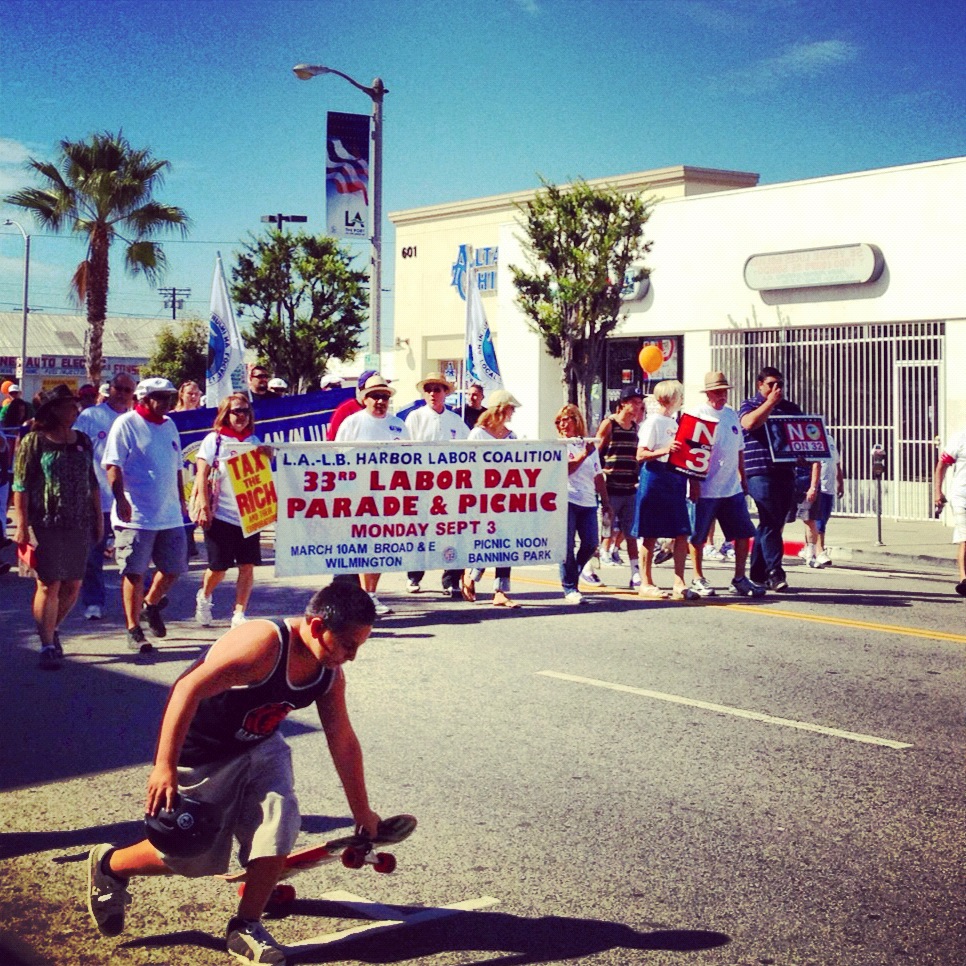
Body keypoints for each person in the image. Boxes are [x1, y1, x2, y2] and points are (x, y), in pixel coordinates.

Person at [85, 582, 381, 965]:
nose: (352, 657)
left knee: (279, 825)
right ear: (316, 624)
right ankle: (110, 865)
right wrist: (165, 765)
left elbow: (342, 740)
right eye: (347, 645)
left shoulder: (328, 674)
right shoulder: (262, 645)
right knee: (190, 852)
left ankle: (246, 926)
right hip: (204, 751)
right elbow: (187, 688)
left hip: (261, 747)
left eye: (359, 646)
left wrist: (362, 811)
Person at [12, 384, 102, 669]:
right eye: (68, 406)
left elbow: (92, 482)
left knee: (73, 584)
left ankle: (52, 627)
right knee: (49, 583)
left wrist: (98, 518)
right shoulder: (35, 441)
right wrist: (22, 525)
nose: (75, 410)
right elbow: (21, 485)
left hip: (78, 521)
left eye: (75, 405)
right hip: (45, 522)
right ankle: (47, 644)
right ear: (52, 410)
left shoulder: (83, 440)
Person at [102, 377, 188, 656]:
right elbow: (112, 465)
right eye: (160, 397)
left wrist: (182, 501)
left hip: (169, 514)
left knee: (174, 568)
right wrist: (120, 500)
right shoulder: (126, 424)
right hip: (136, 514)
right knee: (134, 572)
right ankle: (133, 628)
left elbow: (176, 467)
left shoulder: (170, 425)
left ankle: (151, 604)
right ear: (143, 398)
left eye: (169, 397)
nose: (166, 402)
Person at [194, 393, 271, 629]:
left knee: (247, 565)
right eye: (236, 411)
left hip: (248, 515)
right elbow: (201, 475)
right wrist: (204, 505)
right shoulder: (214, 441)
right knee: (219, 567)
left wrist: (267, 456)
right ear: (225, 414)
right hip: (220, 514)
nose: (241, 416)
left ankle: (239, 613)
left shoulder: (254, 440)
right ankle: (204, 596)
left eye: (245, 411)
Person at [687, 371, 765, 598]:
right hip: (706, 487)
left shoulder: (731, 415)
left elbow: (739, 448)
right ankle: (697, 577)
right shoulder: (698, 415)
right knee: (698, 536)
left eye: (724, 391)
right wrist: (693, 482)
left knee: (742, 534)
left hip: (731, 487)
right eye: (718, 392)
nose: (722, 396)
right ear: (709, 393)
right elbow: (691, 452)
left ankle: (740, 578)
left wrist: (743, 475)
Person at [335, 375, 408, 615]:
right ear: (364, 398)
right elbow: (337, 459)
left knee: (380, 547)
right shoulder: (352, 423)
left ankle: (371, 595)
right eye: (375, 396)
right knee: (359, 547)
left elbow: (409, 460)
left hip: (388, 497)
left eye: (385, 396)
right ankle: (355, 598)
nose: (380, 400)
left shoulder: (399, 425)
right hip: (358, 496)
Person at [74, 372, 137, 619]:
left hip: (130, 499)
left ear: (133, 394)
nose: (121, 393)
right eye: (118, 388)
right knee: (93, 555)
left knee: (133, 555)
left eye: (127, 390)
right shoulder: (91, 416)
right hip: (97, 496)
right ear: (109, 389)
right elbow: (77, 448)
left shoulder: (137, 420)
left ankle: (137, 604)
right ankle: (93, 602)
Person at [738, 367, 807, 591]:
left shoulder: (790, 409)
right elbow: (749, 424)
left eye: (780, 384)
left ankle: (757, 573)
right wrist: (770, 403)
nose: (777, 389)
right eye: (771, 384)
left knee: (775, 522)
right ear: (760, 385)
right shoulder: (750, 405)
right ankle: (775, 572)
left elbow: (802, 434)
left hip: (785, 471)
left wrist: (805, 453)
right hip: (759, 470)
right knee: (769, 518)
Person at [404, 372, 469, 598]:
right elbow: (406, 450)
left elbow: (467, 449)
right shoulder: (415, 417)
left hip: (449, 486)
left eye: (438, 389)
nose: (433, 393)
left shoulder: (456, 421)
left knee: (451, 531)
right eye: (429, 389)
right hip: (421, 484)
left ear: (445, 393)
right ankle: (414, 575)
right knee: (419, 530)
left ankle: (451, 580)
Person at [631, 380, 697, 600]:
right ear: (669, 398)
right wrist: (665, 450)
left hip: (674, 477)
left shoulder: (675, 423)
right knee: (650, 532)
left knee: (681, 532)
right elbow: (641, 454)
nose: (681, 399)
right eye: (678, 395)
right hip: (655, 477)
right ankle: (646, 581)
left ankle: (679, 582)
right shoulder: (653, 422)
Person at [464, 389, 523, 608]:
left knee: (505, 541)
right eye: (511, 408)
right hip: (482, 496)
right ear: (501, 409)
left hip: (505, 496)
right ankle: (471, 575)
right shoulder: (478, 435)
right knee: (486, 540)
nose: (513, 413)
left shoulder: (511, 436)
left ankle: (500, 590)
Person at [556, 404, 610, 605]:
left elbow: (598, 476)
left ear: (577, 421)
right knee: (567, 545)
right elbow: (565, 470)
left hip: (588, 501)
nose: (563, 424)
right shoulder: (559, 445)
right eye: (560, 420)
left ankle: (573, 574)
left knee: (590, 544)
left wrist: (606, 502)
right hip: (567, 499)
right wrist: (582, 456)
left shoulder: (588, 445)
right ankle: (570, 587)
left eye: (567, 419)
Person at [594, 386, 644, 588]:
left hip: (630, 487)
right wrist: (598, 480)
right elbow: (597, 452)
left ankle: (635, 573)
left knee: (631, 532)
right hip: (611, 487)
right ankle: (589, 568)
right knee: (605, 530)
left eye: (639, 401)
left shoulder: (635, 427)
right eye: (634, 401)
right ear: (623, 403)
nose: (638, 405)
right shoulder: (610, 424)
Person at [800, 431, 843, 568]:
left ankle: (808, 547)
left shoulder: (830, 439)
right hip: (820, 487)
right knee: (817, 520)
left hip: (829, 487)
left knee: (823, 518)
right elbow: (814, 463)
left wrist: (840, 482)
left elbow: (836, 463)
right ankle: (820, 550)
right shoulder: (812, 440)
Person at [933, 427, 966, 596]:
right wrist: (938, 492)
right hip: (961, 497)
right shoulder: (960, 437)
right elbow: (942, 465)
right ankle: (964, 579)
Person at [326, 369, 377, 441]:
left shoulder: (381, 411)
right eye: (372, 388)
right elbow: (331, 439)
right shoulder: (345, 410)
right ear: (361, 389)